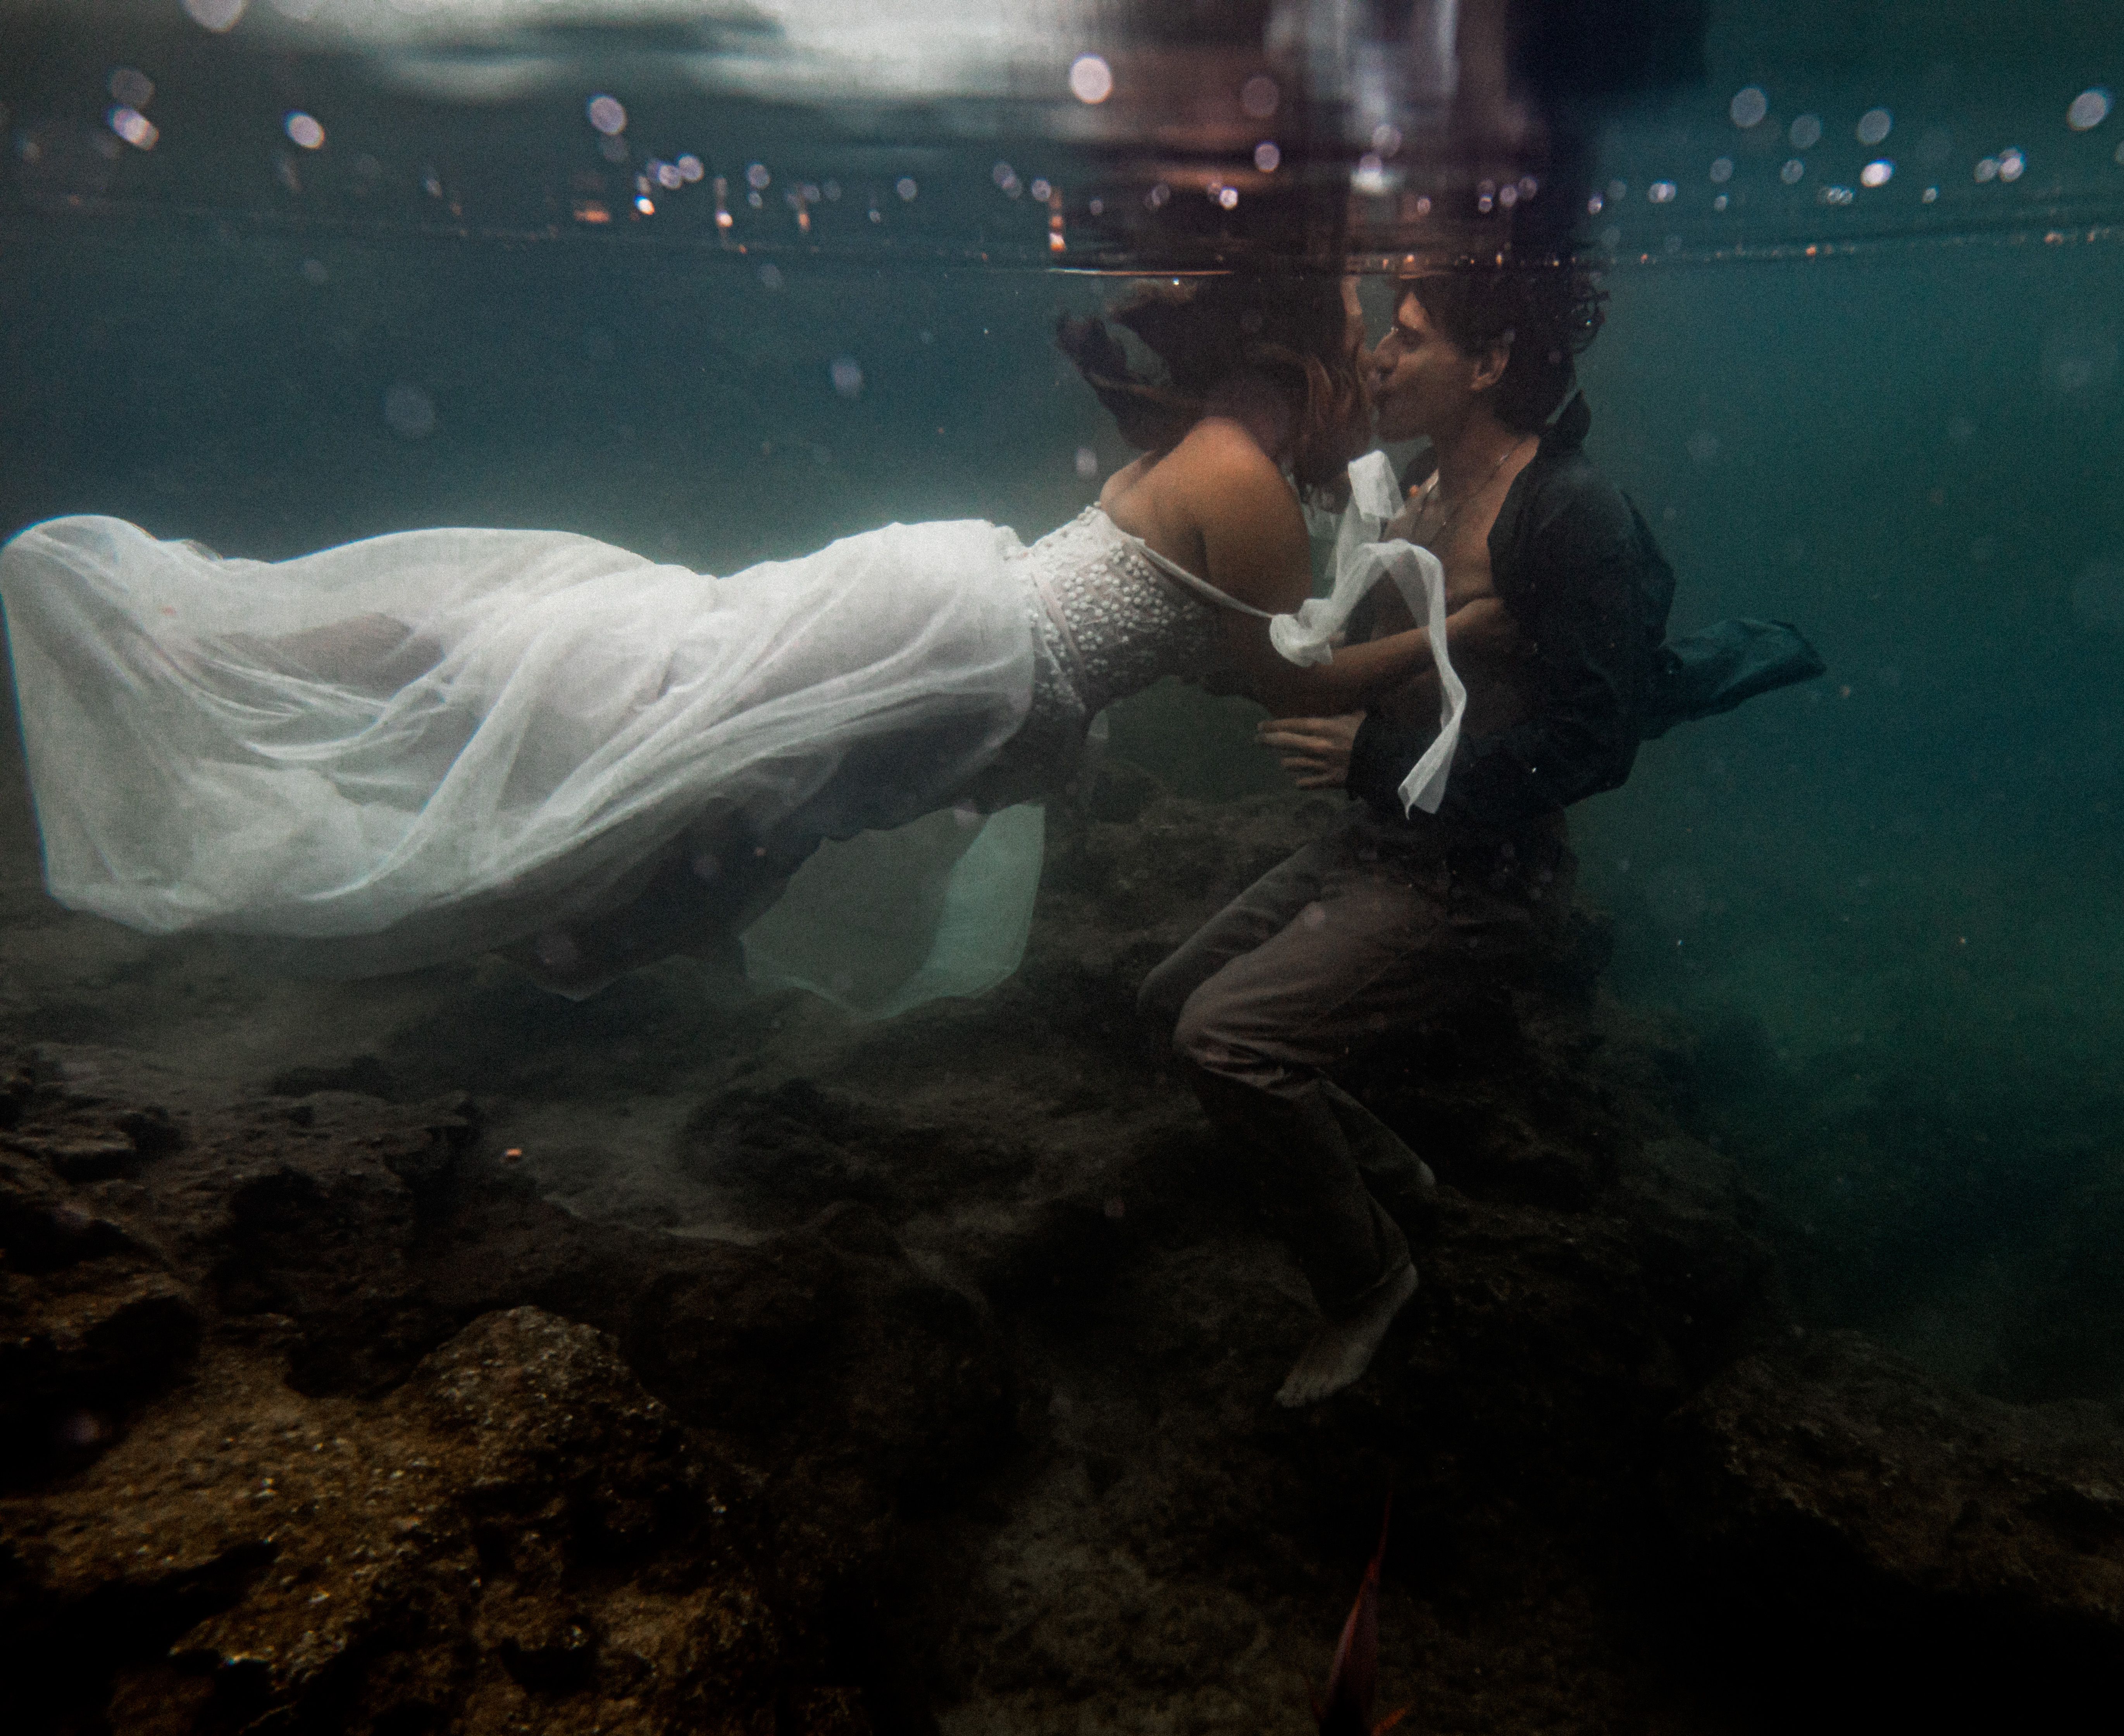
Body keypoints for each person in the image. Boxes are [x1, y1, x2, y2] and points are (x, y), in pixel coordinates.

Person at [0, 276, 1500, 1000]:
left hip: (958, 650)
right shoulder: (1240, 475)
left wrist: (1423, 585)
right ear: (1303, 367)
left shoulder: (1223, 448)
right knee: (631, 690)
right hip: (962, 654)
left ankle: (305, 697)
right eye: (1362, 360)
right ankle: (225, 656)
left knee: (666, 715)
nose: (1372, 387)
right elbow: (1270, 681)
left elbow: (1261, 634)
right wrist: (1475, 630)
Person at [1139, 266, 1680, 1408]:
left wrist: (1373, 763)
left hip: (1483, 882)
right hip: (1380, 847)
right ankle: (1395, 1176)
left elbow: (1598, 745)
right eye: (1386, 330)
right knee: (1167, 1004)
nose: (1380, 355)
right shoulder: (1425, 485)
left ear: (1491, 365)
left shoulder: (1573, 516)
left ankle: (1371, 1278)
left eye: (1413, 337)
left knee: (1224, 1041)